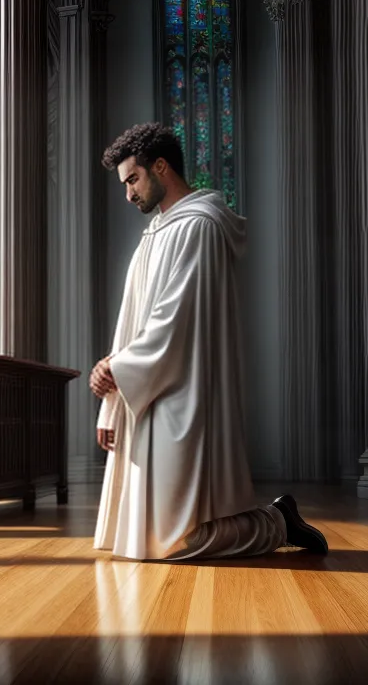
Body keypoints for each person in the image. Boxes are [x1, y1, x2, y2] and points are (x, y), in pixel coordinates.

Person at [91, 122, 327, 561]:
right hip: (145, 392)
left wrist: (116, 369)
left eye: (133, 179)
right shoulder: (156, 234)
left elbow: (173, 322)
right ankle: (278, 519)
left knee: (171, 541)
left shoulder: (199, 227)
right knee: (144, 535)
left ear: (160, 167)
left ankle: (276, 523)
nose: (128, 194)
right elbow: (132, 322)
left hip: (182, 394)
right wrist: (113, 403)